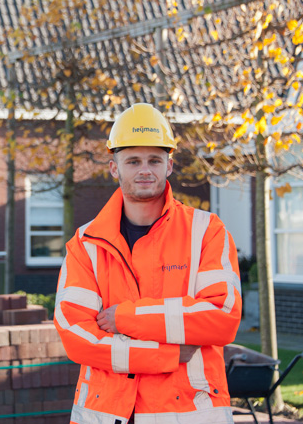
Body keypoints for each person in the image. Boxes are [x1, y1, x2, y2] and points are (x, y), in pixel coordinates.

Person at [53, 103, 242, 424]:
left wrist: (125, 317)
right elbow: (76, 335)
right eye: (133, 161)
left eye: (155, 160)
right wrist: (164, 354)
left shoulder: (207, 230)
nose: (145, 170)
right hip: (107, 413)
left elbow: (221, 317)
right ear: (114, 168)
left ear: (169, 165)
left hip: (190, 413)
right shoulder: (85, 244)